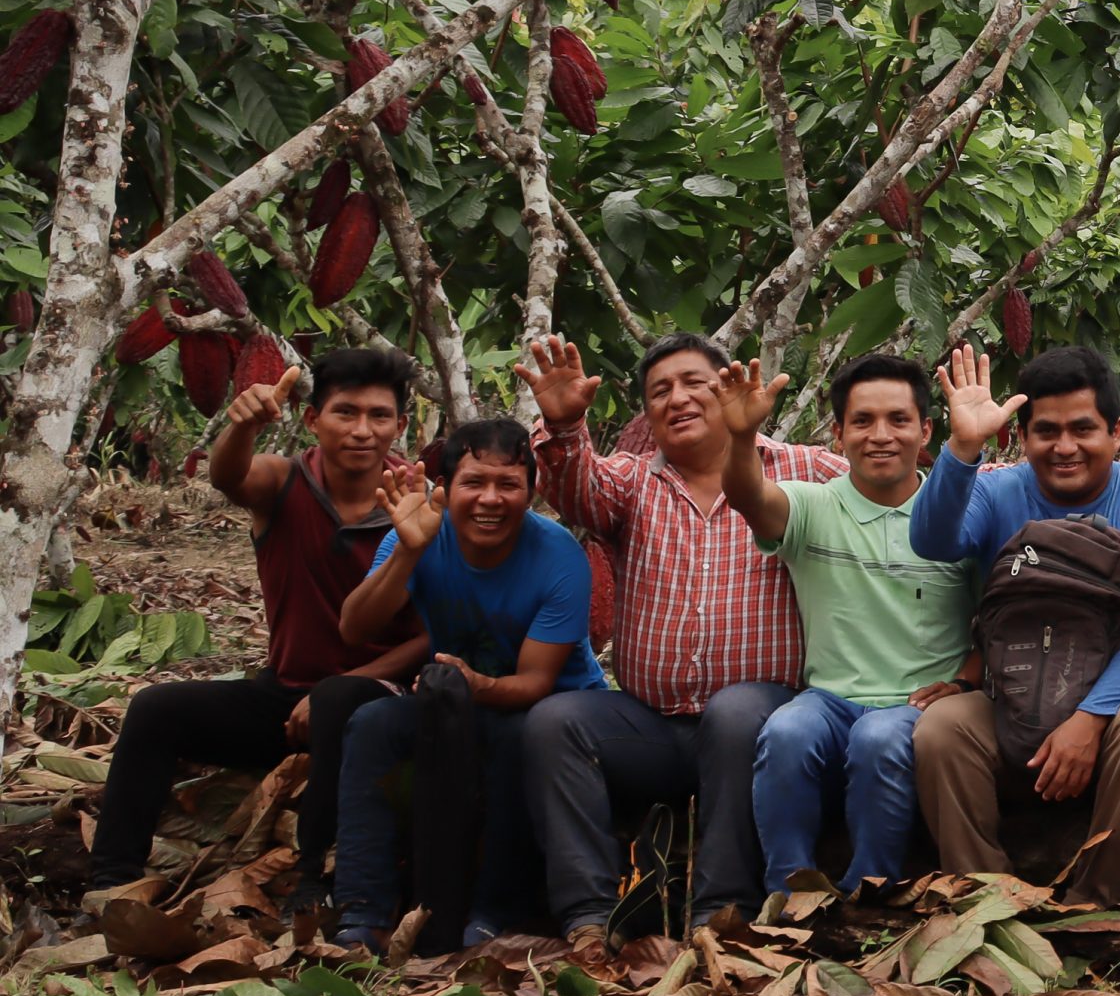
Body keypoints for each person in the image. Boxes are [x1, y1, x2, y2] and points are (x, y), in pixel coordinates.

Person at [518, 333, 845, 954]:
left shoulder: (806, 470)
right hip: (655, 726)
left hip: (762, 719)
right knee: (555, 722)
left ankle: (719, 916)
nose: (677, 399)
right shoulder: (633, 482)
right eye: (658, 391)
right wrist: (562, 427)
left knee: (736, 710)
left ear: (729, 386)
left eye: (694, 382)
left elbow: (898, 496)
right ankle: (588, 918)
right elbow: (575, 488)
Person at [87, 350, 428, 912]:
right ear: (313, 420)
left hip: (377, 702)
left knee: (348, 706)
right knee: (155, 708)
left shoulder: (419, 503)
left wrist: (336, 691)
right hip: (283, 693)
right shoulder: (285, 481)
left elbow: (433, 637)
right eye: (345, 413)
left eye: (379, 416)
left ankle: (321, 888)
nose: (363, 430)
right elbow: (230, 476)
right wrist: (241, 425)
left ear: (401, 425)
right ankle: (110, 882)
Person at [908, 344, 1120, 903]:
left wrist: (1090, 719)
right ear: (1022, 436)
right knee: (942, 730)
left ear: (1117, 432)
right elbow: (933, 540)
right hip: (1010, 695)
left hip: (1111, 708)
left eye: (1083, 429)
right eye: (1046, 431)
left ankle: (1097, 897)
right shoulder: (997, 489)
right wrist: (963, 446)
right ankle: (985, 899)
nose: (1064, 448)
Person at [334, 418, 606, 950]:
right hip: (457, 699)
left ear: (531, 491)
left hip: (550, 708)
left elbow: (533, 683)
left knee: (519, 739)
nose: (490, 499)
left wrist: (476, 685)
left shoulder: (559, 557)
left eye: (508, 485)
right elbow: (354, 628)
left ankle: (494, 912)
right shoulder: (415, 534)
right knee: (371, 725)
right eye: (473, 483)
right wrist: (409, 551)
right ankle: (360, 911)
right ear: (447, 488)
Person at [716, 353, 978, 894]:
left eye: (898, 420)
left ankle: (869, 892)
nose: (880, 435)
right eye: (862, 421)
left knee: (879, 739)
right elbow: (748, 497)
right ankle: (788, 894)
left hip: (917, 704)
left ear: (925, 430)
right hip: (830, 699)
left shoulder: (959, 513)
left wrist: (966, 681)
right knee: (787, 732)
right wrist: (741, 437)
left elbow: (997, 620)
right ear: (838, 434)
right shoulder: (813, 506)